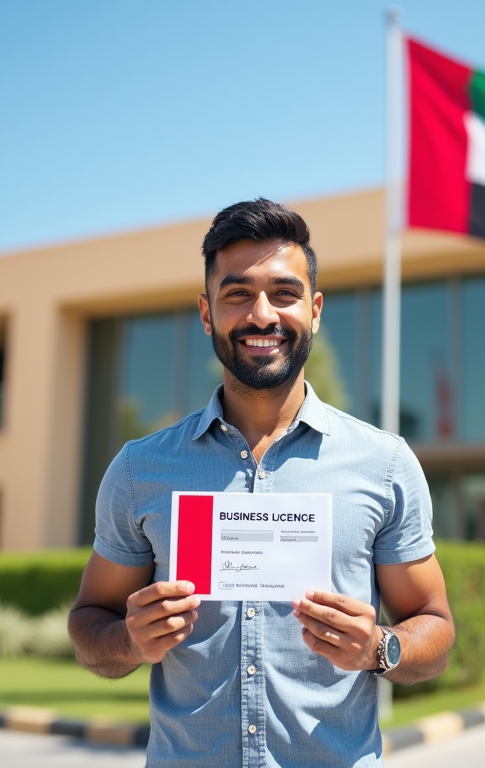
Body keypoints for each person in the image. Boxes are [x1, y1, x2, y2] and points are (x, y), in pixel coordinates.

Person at [68, 198, 454, 767]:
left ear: (315, 309)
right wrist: (128, 640)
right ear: (207, 313)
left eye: (285, 293)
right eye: (237, 294)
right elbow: (88, 625)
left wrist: (378, 648)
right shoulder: (138, 470)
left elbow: (436, 630)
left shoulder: (384, 464)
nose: (262, 315)